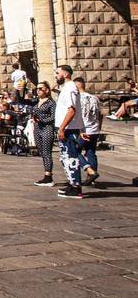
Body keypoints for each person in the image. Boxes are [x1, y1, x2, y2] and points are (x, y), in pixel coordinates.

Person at [55, 65, 84, 199]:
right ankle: (72, 183)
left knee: (71, 157)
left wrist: (62, 128)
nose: (56, 76)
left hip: (68, 128)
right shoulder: (66, 88)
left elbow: (71, 110)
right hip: (66, 128)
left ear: (65, 74)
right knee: (65, 157)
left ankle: (76, 187)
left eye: (57, 73)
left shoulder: (71, 87)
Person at [76, 77, 101, 187]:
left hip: (84, 130)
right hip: (94, 130)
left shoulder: (77, 98)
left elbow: (77, 116)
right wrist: (99, 128)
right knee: (91, 152)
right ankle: (92, 179)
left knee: (74, 151)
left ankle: (89, 169)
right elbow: (100, 115)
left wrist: (80, 130)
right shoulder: (95, 98)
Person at [31, 82, 57, 187]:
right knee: (41, 151)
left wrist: (42, 120)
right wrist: (20, 90)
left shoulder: (51, 103)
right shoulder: (36, 101)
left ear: (46, 90)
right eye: (37, 89)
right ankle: (47, 174)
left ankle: (48, 176)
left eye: (40, 88)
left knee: (47, 152)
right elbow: (22, 101)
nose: (38, 90)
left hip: (47, 128)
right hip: (37, 128)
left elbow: (54, 117)